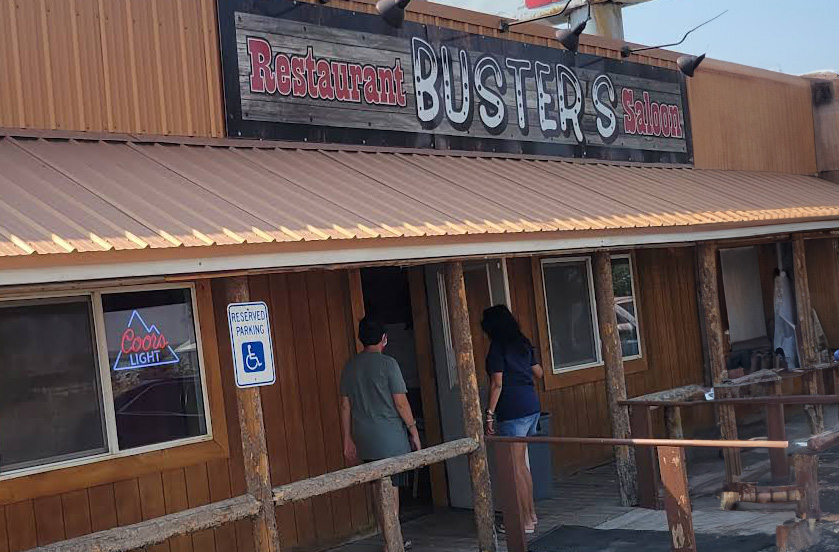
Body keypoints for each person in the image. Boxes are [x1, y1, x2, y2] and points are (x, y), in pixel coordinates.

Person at [340, 317, 421, 551]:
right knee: (392, 488)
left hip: (364, 437)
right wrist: (414, 430)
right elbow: (401, 403)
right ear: (384, 339)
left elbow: (345, 406)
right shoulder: (388, 364)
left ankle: (387, 539)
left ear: (361, 339)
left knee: (377, 488)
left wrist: (347, 438)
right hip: (390, 437)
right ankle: (393, 542)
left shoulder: (350, 367)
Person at [481, 304, 544, 534]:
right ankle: (532, 515)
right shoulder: (522, 342)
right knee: (522, 466)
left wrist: (489, 414)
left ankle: (523, 522)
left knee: (515, 467)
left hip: (512, 409)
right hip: (531, 407)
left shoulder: (498, 348)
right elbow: (539, 372)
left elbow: (497, 383)